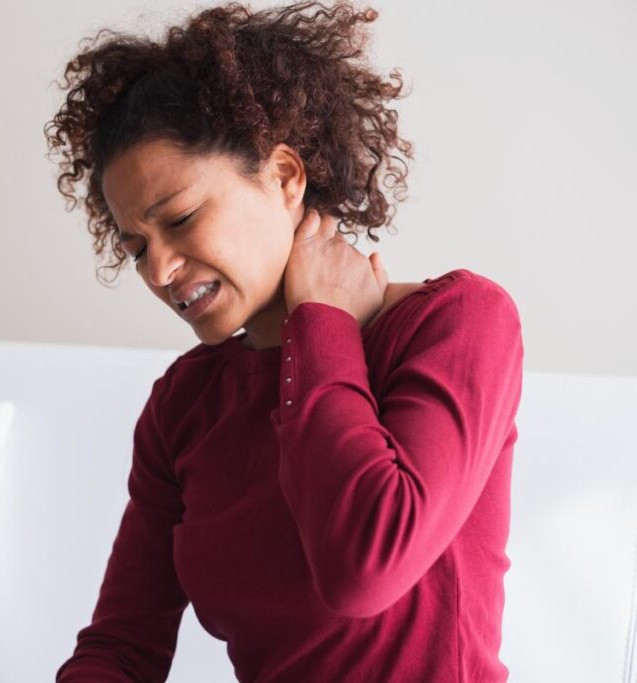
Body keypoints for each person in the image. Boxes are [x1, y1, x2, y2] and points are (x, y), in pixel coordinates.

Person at [44, 2, 525, 681]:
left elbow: (367, 566)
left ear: (285, 177)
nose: (158, 270)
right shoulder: (185, 404)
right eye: (136, 247)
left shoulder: (455, 323)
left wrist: (321, 324)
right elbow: (121, 646)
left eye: (179, 219)